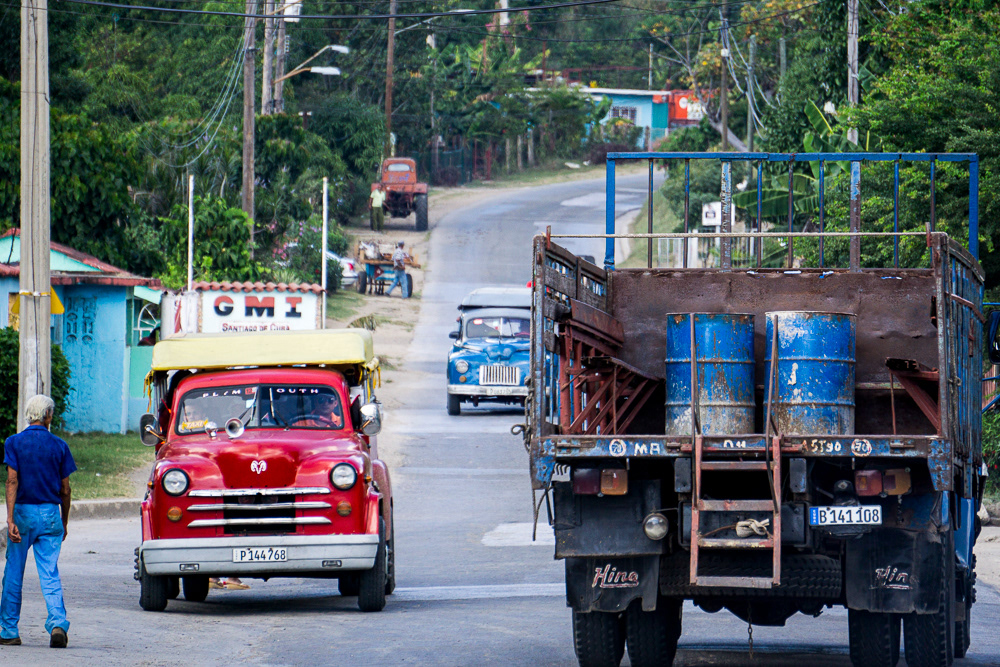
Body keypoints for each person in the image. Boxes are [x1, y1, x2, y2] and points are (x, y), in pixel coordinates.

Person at [1, 395, 76, 649]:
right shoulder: (59, 445)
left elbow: (12, 481)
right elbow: (65, 489)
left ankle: (9, 629)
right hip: (49, 513)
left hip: (22, 513)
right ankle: (57, 623)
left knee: (13, 571)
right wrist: (63, 521)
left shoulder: (14, 443)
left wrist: (10, 519)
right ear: (48, 417)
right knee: (49, 572)